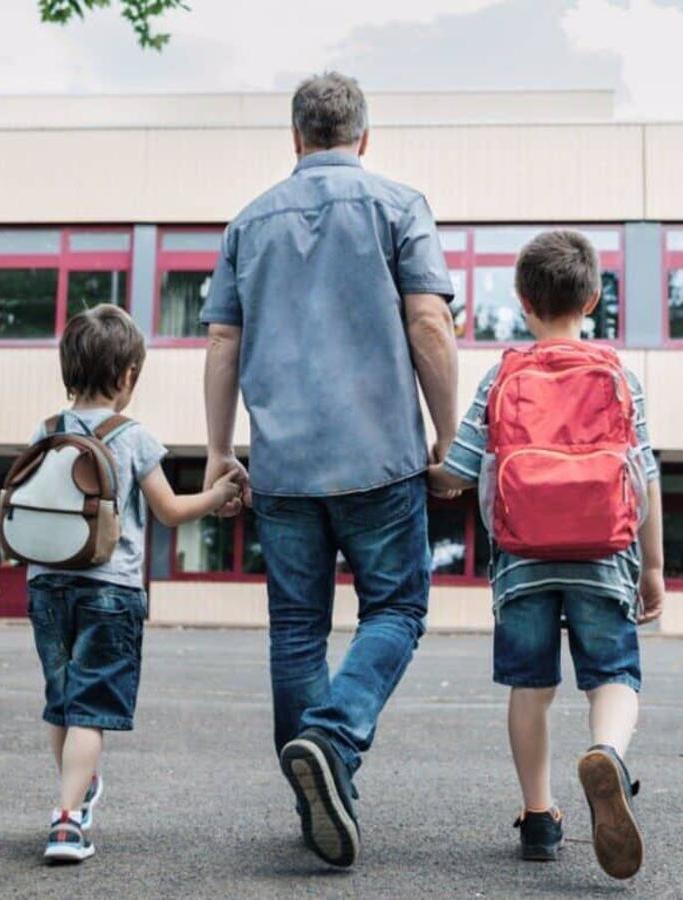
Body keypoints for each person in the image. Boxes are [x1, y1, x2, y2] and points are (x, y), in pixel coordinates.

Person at [199, 72, 459, 869]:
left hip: (282, 468)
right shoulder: (399, 205)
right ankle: (333, 739)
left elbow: (221, 343)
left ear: (295, 139)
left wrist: (219, 451)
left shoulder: (248, 222)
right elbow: (428, 323)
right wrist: (449, 439)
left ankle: (317, 785)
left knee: (296, 631)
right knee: (397, 610)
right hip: (379, 459)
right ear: (364, 137)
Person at [427, 230, 664, 880]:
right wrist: (653, 568)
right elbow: (643, 475)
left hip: (522, 561)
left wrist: (430, 465)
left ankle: (539, 818)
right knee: (613, 675)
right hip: (605, 553)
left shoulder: (503, 374)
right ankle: (607, 753)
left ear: (523, 300)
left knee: (531, 689)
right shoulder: (618, 374)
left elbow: (458, 472)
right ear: (591, 297)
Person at [26, 305, 243, 863]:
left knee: (63, 701)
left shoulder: (46, 431)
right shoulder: (133, 437)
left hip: (46, 585)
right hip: (110, 590)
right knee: (91, 708)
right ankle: (68, 821)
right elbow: (169, 511)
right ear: (127, 377)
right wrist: (218, 497)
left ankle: (74, 787)